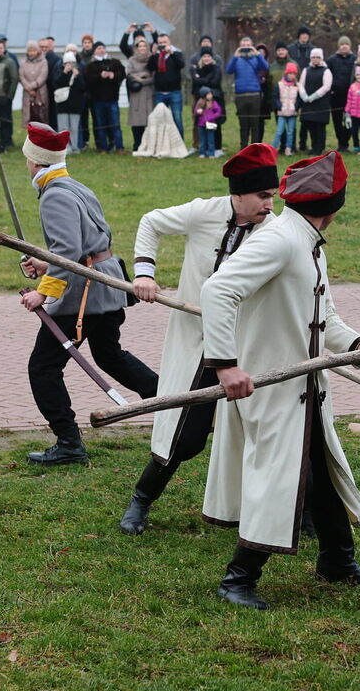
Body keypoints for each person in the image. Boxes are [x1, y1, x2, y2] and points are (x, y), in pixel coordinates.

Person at [200, 151, 360, 610]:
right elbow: (218, 290)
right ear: (335, 203)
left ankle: (337, 561)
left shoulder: (304, 240)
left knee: (321, 472)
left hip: (305, 389)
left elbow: (322, 316)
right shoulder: (282, 240)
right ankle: (237, 580)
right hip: (272, 388)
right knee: (277, 477)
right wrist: (225, 364)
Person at [118, 144, 279, 534]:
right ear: (238, 195)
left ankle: (298, 511)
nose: (269, 205)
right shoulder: (204, 212)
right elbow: (151, 221)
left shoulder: (275, 231)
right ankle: (141, 500)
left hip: (249, 347)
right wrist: (144, 272)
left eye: (272, 196)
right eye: (262, 196)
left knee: (269, 429)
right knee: (184, 432)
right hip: (199, 342)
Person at [17, 122, 158, 465]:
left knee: (43, 368)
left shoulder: (54, 195)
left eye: (27, 159)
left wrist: (43, 292)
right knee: (110, 356)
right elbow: (86, 247)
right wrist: (44, 262)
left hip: (85, 295)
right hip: (104, 288)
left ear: (35, 162)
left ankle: (68, 442)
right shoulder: (75, 186)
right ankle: (173, 405)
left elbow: (68, 251)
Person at [226, 37, 270, 148]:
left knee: (255, 124)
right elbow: (228, 70)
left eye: (248, 45)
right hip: (240, 95)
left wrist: (257, 54)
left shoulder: (255, 59)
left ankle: (254, 148)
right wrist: (235, 56)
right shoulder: (237, 59)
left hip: (254, 95)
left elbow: (265, 67)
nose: (245, 47)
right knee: (243, 124)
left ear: (252, 46)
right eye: (243, 45)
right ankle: (243, 147)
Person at [84, 42, 125, 153]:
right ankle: (102, 147)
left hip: (112, 99)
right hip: (97, 100)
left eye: (103, 48)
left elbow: (122, 73)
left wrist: (113, 75)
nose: (101, 50)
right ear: (94, 50)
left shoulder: (114, 62)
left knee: (115, 124)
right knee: (100, 125)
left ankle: (119, 146)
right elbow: (88, 78)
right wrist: (99, 76)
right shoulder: (91, 65)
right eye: (99, 48)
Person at [147, 33, 186, 139]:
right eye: (160, 43)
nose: (162, 45)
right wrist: (153, 54)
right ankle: (162, 144)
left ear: (169, 43)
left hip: (174, 92)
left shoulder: (177, 53)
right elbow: (150, 67)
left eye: (164, 42)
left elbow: (181, 65)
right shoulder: (157, 56)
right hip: (160, 92)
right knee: (160, 120)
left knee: (177, 119)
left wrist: (171, 53)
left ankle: (179, 145)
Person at [124, 35, 155, 152]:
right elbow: (130, 74)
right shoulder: (132, 60)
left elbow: (153, 77)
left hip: (148, 94)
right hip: (136, 94)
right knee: (137, 122)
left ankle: (150, 146)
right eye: (139, 46)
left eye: (144, 46)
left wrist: (143, 80)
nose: (142, 48)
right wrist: (142, 76)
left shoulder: (152, 59)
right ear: (136, 48)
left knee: (150, 122)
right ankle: (137, 145)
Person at [298, 48, 332, 154]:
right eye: (313, 57)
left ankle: (320, 147)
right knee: (310, 125)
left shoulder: (326, 71)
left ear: (321, 58)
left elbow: (326, 86)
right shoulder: (306, 70)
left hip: (320, 103)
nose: (315, 59)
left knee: (320, 126)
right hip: (308, 103)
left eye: (318, 57)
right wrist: (304, 95)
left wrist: (314, 96)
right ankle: (313, 146)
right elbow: (301, 84)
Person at [326, 37, 357, 151]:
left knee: (350, 120)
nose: (344, 46)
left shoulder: (355, 59)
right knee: (337, 120)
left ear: (350, 46)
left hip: (351, 96)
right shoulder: (331, 60)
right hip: (336, 95)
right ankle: (341, 143)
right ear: (339, 46)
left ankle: (346, 141)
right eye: (342, 44)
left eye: (346, 44)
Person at [191, 49, 225, 153]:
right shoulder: (197, 69)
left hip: (214, 98)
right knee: (201, 124)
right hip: (201, 101)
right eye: (204, 56)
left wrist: (201, 80)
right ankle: (204, 147)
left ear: (212, 58)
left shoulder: (217, 68)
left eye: (208, 56)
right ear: (201, 58)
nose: (206, 58)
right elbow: (195, 83)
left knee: (215, 123)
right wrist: (207, 80)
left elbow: (215, 82)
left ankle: (217, 147)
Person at [53, 52, 86, 150]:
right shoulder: (59, 72)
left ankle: (75, 146)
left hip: (75, 105)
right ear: (63, 64)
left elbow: (83, 87)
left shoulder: (78, 72)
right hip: (62, 105)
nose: (70, 65)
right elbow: (56, 84)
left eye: (72, 63)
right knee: (63, 128)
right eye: (67, 63)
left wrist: (77, 76)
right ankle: (65, 147)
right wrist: (64, 73)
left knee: (74, 128)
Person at [19, 41, 50, 128]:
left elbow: (43, 76)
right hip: (27, 93)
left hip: (40, 92)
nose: (32, 53)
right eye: (30, 51)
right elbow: (21, 76)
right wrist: (28, 88)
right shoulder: (23, 62)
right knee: (28, 116)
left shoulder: (43, 61)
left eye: (34, 50)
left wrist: (33, 86)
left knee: (41, 117)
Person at [274, 62, 299, 155]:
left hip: (292, 112)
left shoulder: (297, 86)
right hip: (282, 112)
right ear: (286, 73)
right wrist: (279, 106)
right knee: (279, 131)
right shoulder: (280, 84)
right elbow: (275, 97)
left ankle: (288, 149)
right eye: (290, 73)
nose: (292, 75)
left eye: (294, 74)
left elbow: (299, 98)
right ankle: (273, 148)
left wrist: (296, 107)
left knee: (290, 131)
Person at [192, 86, 223, 158]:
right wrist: (198, 112)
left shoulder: (214, 103)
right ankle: (202, 153)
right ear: (204, 95)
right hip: (201, 124)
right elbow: (195, 111)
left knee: (211, 139)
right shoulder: (199, 102)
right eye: (208, 94)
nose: (210, 95)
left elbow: (218, 112)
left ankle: (211, 153)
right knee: (202, 139)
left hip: (211, 124)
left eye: (211, 94)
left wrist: (211, 117)